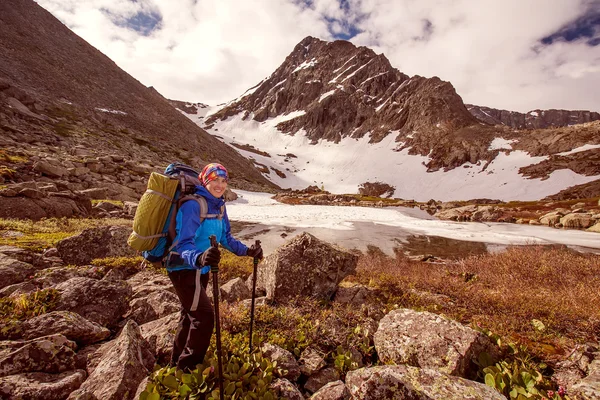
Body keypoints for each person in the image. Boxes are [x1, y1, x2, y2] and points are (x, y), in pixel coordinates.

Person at [166, 162, 263, 371]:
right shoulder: (193, 205)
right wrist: (199, 257)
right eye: (215, 180)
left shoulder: (219, 205)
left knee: (190, 314)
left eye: (223, 181)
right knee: (204, 318)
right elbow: (183, 243)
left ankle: (176, 363)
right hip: (184, 269)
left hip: (202, 268)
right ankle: (187, 369)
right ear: (205, 180)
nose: (220, 185)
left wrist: (247, 251)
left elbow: (226, 238)